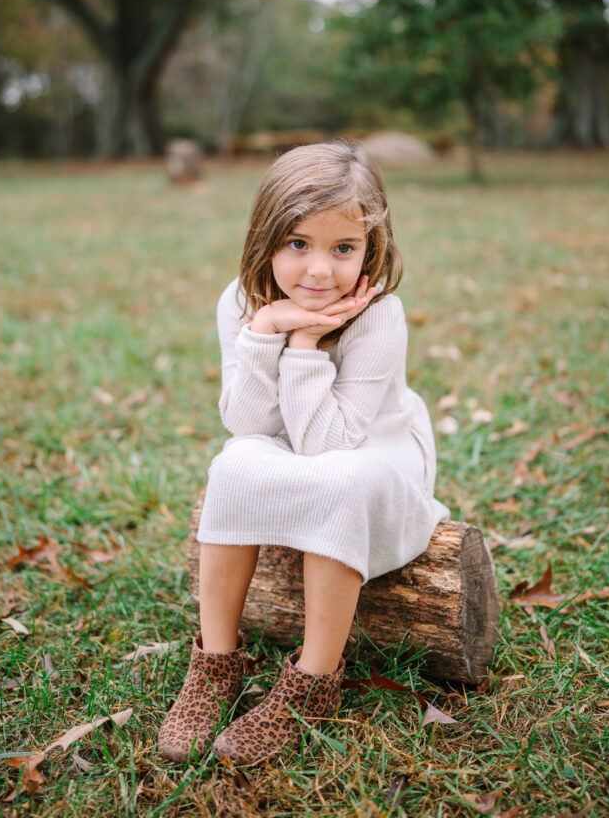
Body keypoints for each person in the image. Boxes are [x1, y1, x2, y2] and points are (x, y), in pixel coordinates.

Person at [157, 140, 450, 767]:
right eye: (298, 244)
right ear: (266, 240)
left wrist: (309, 343)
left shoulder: (380, 317)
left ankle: (311, 684)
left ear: (373, 250)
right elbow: (246, 423)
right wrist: (265, 332)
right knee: (232, 464)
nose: (320, 270)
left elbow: (332, 443)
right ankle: (214, 665)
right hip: (297, 447)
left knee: (340, 481)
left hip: (376, 457)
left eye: (343, 249)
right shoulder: (241, 302)